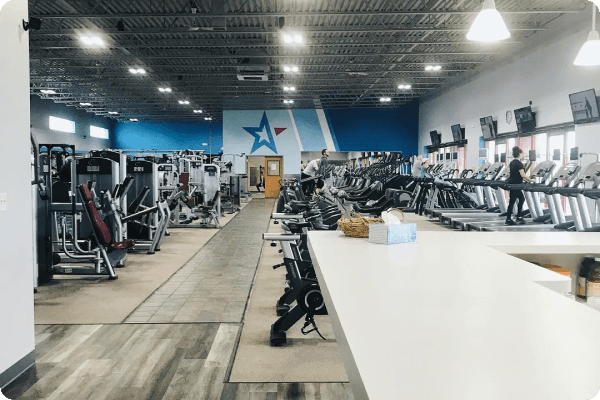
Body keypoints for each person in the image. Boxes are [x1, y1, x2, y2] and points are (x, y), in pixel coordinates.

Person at [505, 146, 535, 225]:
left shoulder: (512, 162)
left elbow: (514, 174)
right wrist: (531, 180)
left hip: (512, 184)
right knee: (519, 199)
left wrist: (526, 180)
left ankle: (514, 217)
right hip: (516, 185)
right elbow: (523, 175)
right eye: (522, 154)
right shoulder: (519, 163)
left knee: (515, 200)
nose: (523, 155)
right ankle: (515, 217)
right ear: (519, 154)